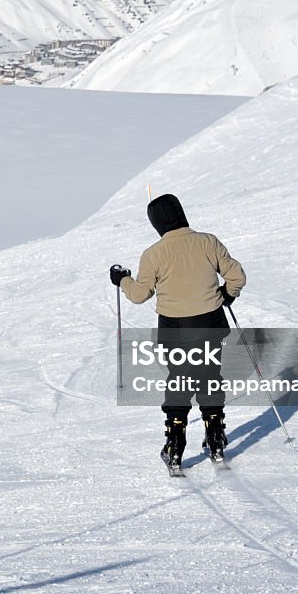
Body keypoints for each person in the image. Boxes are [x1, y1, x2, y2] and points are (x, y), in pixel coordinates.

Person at [110, 194, 245, 468]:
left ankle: (175, 444)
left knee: (180, 381)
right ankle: (216, 437)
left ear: (156, 223)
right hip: (210, 322)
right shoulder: (208, 241)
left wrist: (121, 279)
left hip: (175, 327)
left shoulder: (153, 254)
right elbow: (237, 277)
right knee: (209, 376)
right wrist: (226, 296)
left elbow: (139, 295)